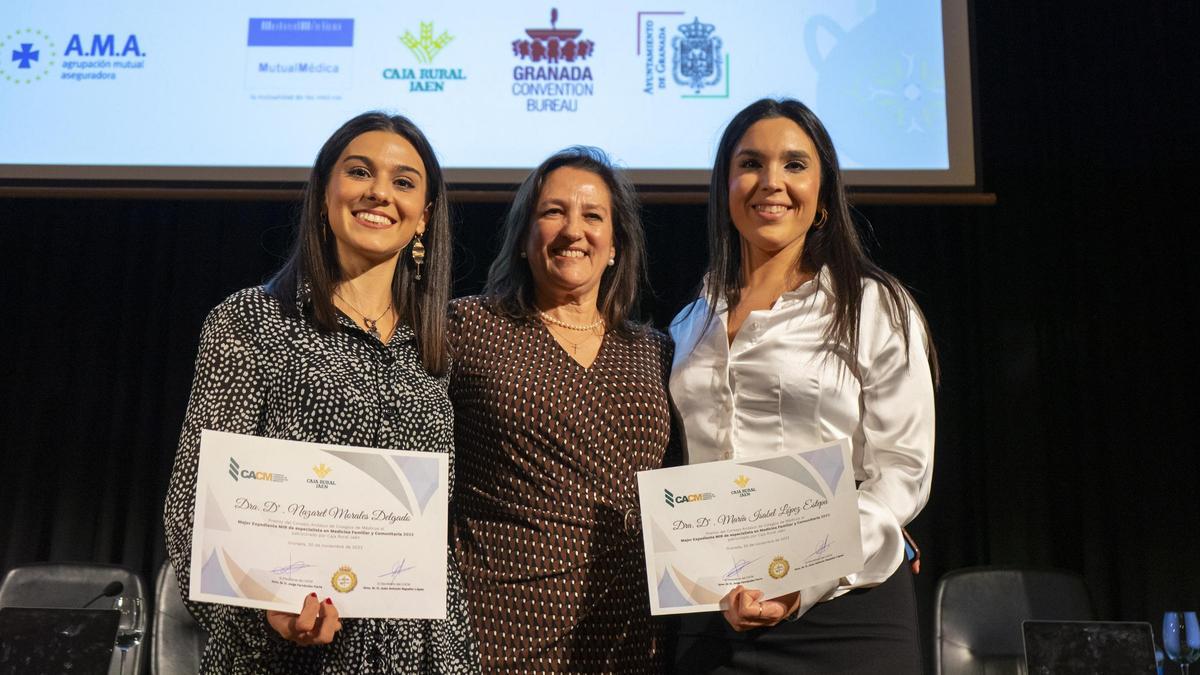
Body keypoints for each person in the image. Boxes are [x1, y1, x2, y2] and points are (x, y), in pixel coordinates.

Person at [163, 112, 480, 674]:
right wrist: (268, 610)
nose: (380, 192)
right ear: (324, 194)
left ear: (424, 218)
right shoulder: (252, 321)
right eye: (360, 172)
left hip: (421, 655)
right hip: (280, 657)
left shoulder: (439, 349)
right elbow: (191, 510)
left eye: (404, 182)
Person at [668, 98, 937, 673]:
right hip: (714, 613)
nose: (771, 182)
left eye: (794, 165)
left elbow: (901, 475)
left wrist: (800, 578)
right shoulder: (689, 326)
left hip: (842, 613)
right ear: (724, 187)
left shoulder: (872, 306)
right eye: (750, 165)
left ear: (822, 194)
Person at [447, 147, 674, 673]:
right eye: (553, 212)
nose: (574, 230)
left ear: (615, 245)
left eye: (593, 215)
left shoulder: (654, 350)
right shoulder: (468, 328)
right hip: (498, 629)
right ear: (525, 239)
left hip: (630, 635)